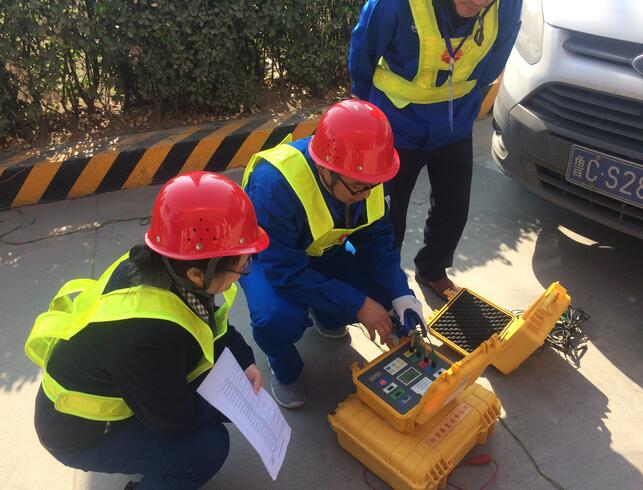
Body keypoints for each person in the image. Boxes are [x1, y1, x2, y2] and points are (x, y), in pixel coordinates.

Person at [26, 172, 269, 489]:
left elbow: (208, 322)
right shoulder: (146, 335)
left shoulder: (166, 266)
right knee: (207, 449)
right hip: (82, 432)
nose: (242, 271)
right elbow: (173, 422)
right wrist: (233, 407)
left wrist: (243, 358)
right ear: (197, 272)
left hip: (126, 383)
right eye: (241, 264)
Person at [240, 99, 427, 409]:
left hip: (324, 251)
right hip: (269, 263)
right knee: (276, 319)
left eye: (373, 186)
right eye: (358, 189)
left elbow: (378, 240)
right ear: (326, 169)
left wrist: (401, 294)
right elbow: (284, 272)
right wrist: (357, 303)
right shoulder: (273, 186)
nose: (366, 195)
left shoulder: (366, 175)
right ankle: (284, 368)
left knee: (383, 296)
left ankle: (326, 316)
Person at [349, 0, 522, 299]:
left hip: (456, 121)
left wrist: (463, 107)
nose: (477, 2)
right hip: (397, 123)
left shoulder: (507, 4)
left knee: (454, 205)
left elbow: (494, 58)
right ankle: (382, 281)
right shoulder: (394, 5)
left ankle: (432, 268)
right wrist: (368, 112)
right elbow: (364, 50)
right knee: (388, 214)